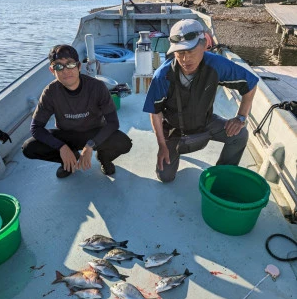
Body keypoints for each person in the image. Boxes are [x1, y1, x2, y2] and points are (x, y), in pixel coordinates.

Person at [143, 19, 259, 183]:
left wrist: (241, 117)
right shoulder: (162, 76)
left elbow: (251, 85)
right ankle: (170, 151)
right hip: (174, 128)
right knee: (165, 177)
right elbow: (155, 113)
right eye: (180, 52)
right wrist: (162, 145)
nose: (185, 59)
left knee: (240, 134)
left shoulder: (216, 65)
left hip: (205, 122)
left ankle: (222, 174)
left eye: (191, 51)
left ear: (204, 45)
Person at [22, 44, 132, 178]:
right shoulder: (50, 92)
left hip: (94, 133)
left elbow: (113, 123)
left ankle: (104, 158)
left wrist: (91, 145)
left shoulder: (97, 87)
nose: (65, 70)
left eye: (70, 64)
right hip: (66, 135)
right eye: (58, 66)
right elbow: (36, 128)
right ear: (52, 70)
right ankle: (69, 160)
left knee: (124, 143)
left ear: (79, 66)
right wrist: (61, 147)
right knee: (29, 147)